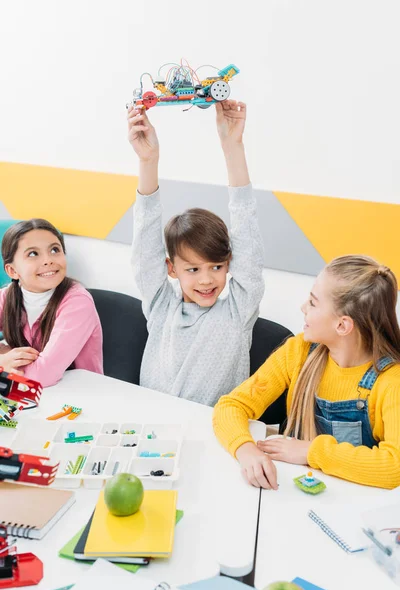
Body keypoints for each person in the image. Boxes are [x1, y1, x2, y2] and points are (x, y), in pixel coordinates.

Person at [213, 255, 400, 490]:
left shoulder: (391, 382)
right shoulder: (298, 351)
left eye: (312, 303)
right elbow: (231, 405)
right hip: (292, 488)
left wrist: (311, 451)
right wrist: (246, 450)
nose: (303, 308)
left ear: (342, 325)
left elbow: (394, 468)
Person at [127, 100, 264, 406]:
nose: (207, 279)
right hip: (154, 428)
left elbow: (246, 230)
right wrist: (148, 162)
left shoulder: (237, 312)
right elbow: (145, 245)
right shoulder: (162, 306)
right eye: (192, 269)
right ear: (171, 268)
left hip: (212, 433)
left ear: (229, 264)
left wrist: (233, 148)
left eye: (216, 267)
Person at [0, 218, 103, 386]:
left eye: (55, 250)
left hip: (77, 396)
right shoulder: (7, 296)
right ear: (12, 270)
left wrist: (4, 363)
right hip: (26, 394)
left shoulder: (78, 302)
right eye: (33, 254)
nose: (48, 260)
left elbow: (43, 375)